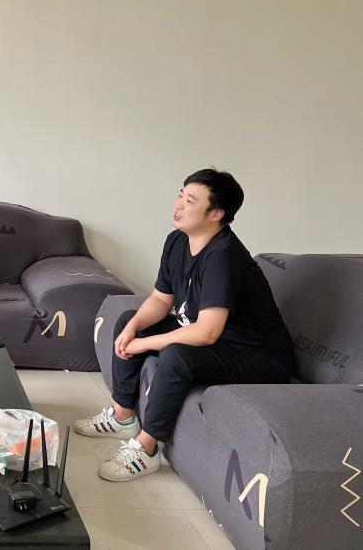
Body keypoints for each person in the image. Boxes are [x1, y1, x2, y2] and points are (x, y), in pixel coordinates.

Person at [74, 168, 294, 481]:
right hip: (217, 337)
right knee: (128, 320)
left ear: (216, 213)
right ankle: (123, 416)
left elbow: (207, 332)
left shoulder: (223, 256)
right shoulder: (177, 240)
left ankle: (147, 449)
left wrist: (143, 343)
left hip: (256, 353)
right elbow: (160, 300)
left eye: (190, 200)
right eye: (181, 195)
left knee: (177, 354)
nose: (178, 204)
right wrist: (134, 327)